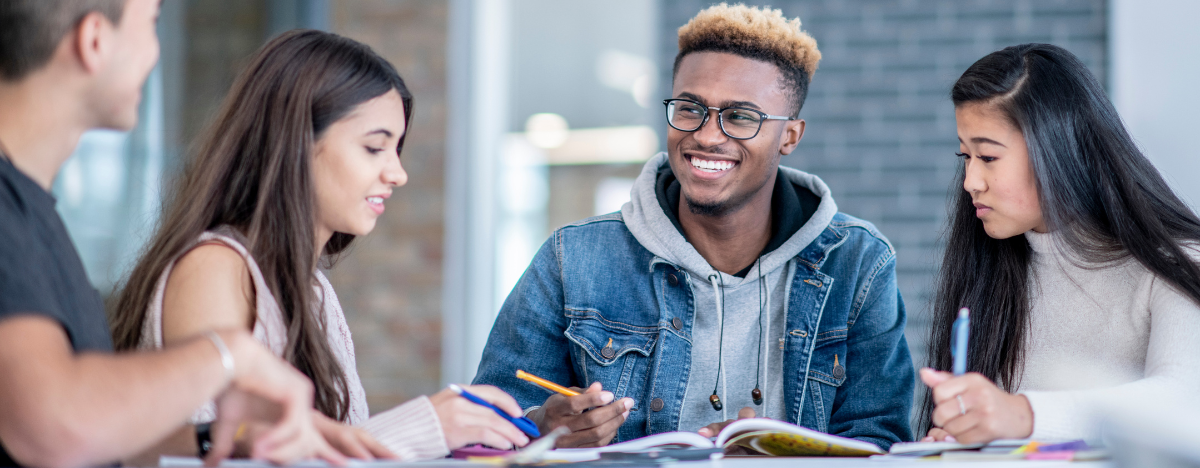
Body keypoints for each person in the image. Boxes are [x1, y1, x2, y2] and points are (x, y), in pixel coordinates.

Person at [473, 4, 914, 450]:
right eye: (689, 109)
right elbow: (486, 428)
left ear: (790, 136)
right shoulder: (575, 258)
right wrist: (540, 431)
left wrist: (780, 454)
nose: (706, 135)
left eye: (741, 117)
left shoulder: (858, 263)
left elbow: (879, 441)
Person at [108, 29, 532, 461]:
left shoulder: (311, 290)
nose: (397, 173)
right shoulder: (214, 269)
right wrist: (427, 425)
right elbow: (228, 454)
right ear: (295, 143)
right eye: (374, 147)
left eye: (396, 149)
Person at [0, 1, 351, 466]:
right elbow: (52, 428)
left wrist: (224, 438)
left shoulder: (31, 215)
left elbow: (86, 433)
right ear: (94, 41)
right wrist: (228, 354)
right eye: (151, 26)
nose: (155, 53)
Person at [919, 43, 1200, 444]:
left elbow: (1184, 400)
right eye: (965, 156)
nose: (970, 182)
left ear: (1057, 148)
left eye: (989, 157)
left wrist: (1021, 415)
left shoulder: (1177, 263)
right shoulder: (994, 269)